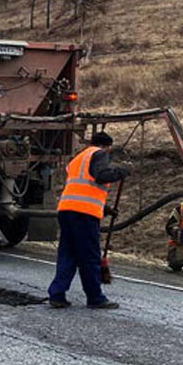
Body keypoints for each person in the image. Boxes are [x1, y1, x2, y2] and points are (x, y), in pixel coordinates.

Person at [48, 132, 130, 309]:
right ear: (107, 146)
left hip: (67, 209)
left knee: (67, 254)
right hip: (84, 214)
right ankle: (95, 298)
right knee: (90, 256)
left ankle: (57, 294)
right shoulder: (99, 153)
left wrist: (105, 209)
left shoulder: (78, 158)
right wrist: (122, 171)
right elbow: (101, 175)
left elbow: (83, 186)